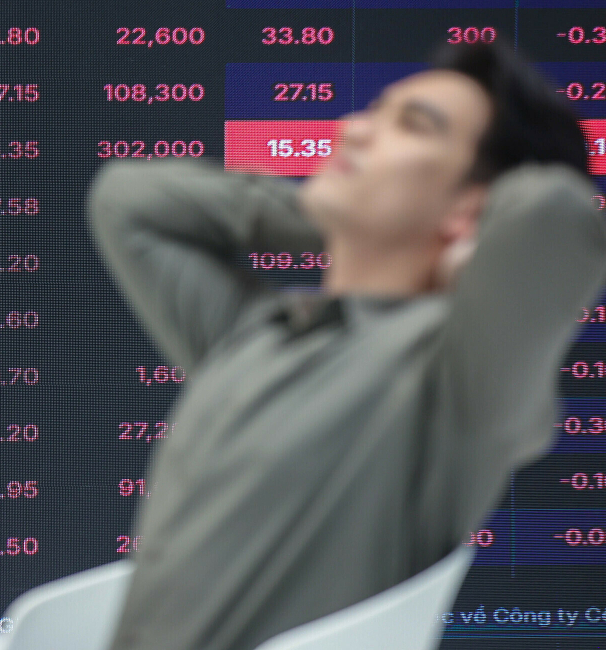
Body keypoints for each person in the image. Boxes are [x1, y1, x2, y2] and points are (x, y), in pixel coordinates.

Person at [86, 42, 606, 650]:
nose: (353, 128)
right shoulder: (253, 334)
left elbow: (556, 208)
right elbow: (126, 199)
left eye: (412, 125)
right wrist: (347, 220)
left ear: (469, 210)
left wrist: (427, 233)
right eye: (374, 112)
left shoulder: (450, 381)